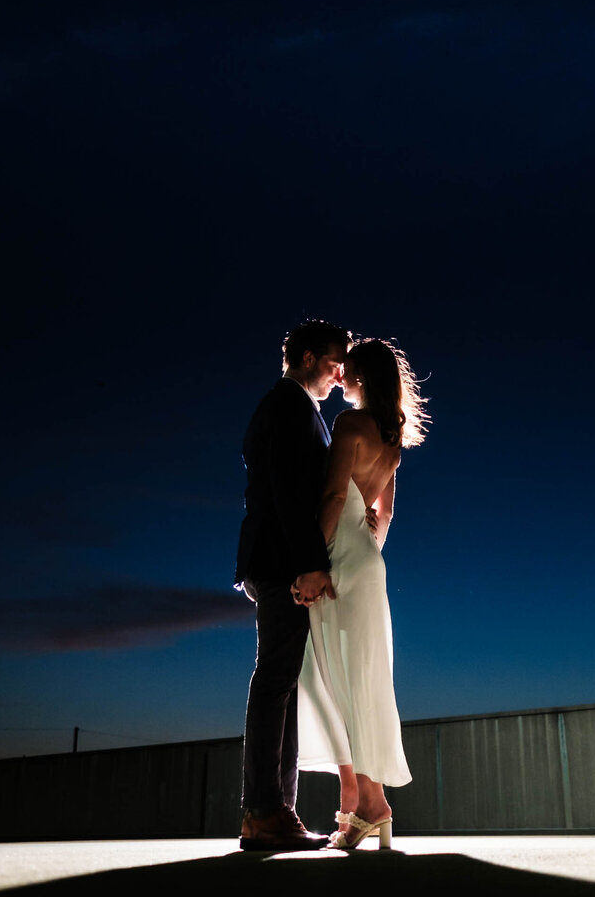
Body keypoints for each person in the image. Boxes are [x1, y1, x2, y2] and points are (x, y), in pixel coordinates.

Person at [295, 338, 429, 849]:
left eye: (348, 372)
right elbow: (386, 513)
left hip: (339, 558)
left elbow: (332, 494)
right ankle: (362, 804)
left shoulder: (350, 426)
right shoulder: (392, 439)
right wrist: (367, 549)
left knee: (331, 678)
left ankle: (368, 803)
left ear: (364, 379)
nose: (342, 379)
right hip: (370, 562)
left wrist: (315, 561)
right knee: (361, 681)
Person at [234, 319, 350, 852]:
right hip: (282, 563)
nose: (338, 374)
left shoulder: (296, 408)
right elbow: (288, 496)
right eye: (333, 363)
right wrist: (310, 564)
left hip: (280, 560)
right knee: (275, 680)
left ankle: (276, 810)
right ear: (307, 358)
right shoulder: (286, 407)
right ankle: (263, 812)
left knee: (281, 681)